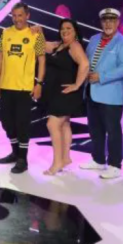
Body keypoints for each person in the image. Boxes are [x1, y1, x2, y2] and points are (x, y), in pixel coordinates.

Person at [79, 8, 123, 179]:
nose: (108, 23)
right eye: (105, 20)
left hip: (111, 95)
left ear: (118, 22)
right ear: (101, 22)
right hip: (92, 92)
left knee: (113, 130)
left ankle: (115, 165)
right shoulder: (94, 39)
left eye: (112, 20)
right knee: (95, 129)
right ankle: (98, 160)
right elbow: (86, 62)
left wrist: (101, 76)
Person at [0, 2, 46, 174]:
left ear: (27, 15)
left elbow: (42, 59)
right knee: (7, 123)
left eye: (20, 15)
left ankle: (23, 159)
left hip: (24, 88)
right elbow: (0, 57)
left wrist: (39, 83)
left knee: (22, 124)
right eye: (14, 15)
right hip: (6, 86)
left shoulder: (36, 34)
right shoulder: (5, 33)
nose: (17, 19)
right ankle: (15, 153)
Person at [42, 18, 89, 175]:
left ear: (75, 31)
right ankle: (66, 157)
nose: (65, 31)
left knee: (52, 124)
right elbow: (40, 46)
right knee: (64, 124)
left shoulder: (74, 46)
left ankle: (57, 162)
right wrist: (36, 32)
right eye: (62, 28)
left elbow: (85, 64)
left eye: (69, 28)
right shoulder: (58, 45)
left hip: (67, 93)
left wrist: (77, 85)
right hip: (57, 92)